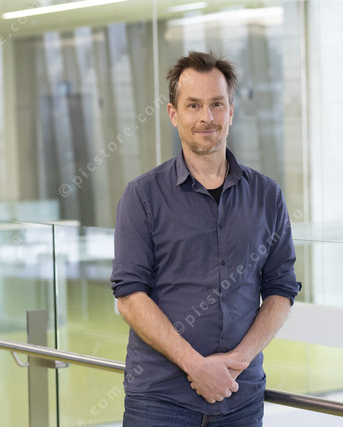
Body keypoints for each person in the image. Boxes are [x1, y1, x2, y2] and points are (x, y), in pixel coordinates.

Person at [110, 51, 301, 427]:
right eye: (193, 105)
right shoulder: (143, 196)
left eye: (216, 104)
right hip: (160, 403)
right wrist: (195, 366)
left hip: (240, 397)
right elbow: (130, 297)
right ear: (173, 114)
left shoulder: (267, 195)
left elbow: (281, 289)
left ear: (231, 111)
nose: (206, 117)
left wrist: (238, 362)